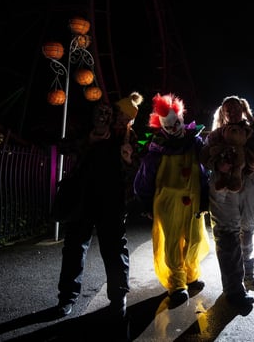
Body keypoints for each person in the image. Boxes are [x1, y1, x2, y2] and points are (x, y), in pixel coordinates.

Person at [55, 92, 144, 319]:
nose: (122, 120)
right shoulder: (89, 128)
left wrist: (128, 159)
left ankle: (118, 296)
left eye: (128, 118)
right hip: (82, 196)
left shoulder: (128, 137)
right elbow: (63, 146)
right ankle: (67, 297)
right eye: (120, 114)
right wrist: (89, 140)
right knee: (74, 246)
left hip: (112, 199)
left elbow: (136, 169)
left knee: (114, 249)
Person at [133, 93, 210, 307]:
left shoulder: (195, 142)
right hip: (167, 203)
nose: (174, 128)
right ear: (161, 126)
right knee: (173, 243)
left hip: (193, 200)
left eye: (177, 122)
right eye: (169, 125)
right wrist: (146, 204)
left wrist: (205, 197)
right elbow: (145, 178)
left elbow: (203, 171)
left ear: (182, 119)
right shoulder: (156, 148)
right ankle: (177, 284)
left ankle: (191, 274)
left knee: (195, 239)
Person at [200, 95, 254, 307]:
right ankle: (233, 288)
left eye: (235, 108)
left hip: (250, 187)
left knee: (247, 229)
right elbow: (205, 156)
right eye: (227, 109)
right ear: (223, 113)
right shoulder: (216, 135)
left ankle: (248, 271)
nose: (231, 112)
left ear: (243, 109)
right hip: (223, 190)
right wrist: (216, 165)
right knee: (227, 234)